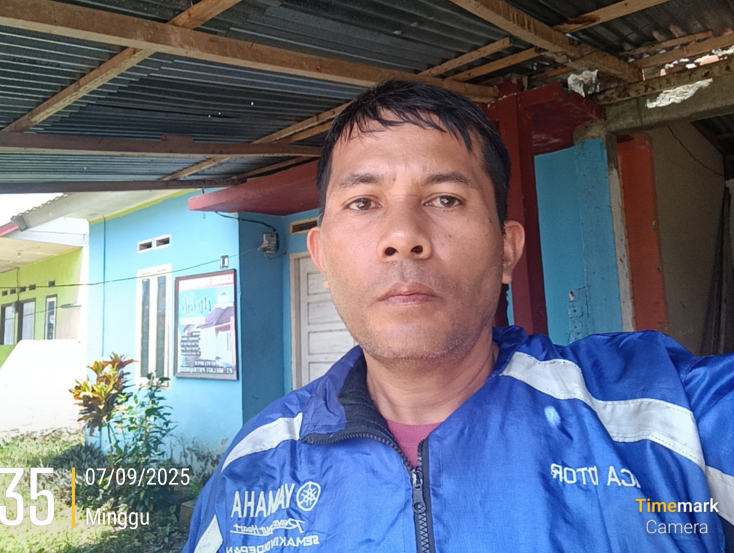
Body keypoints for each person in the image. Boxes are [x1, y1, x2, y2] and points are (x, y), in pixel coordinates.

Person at [183, 80, 734, 553]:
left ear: (506, 252)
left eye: (445, 198)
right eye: (364, 202)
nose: (403, 237)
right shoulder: (254, 468)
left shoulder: (663, 418)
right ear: (321, 256)